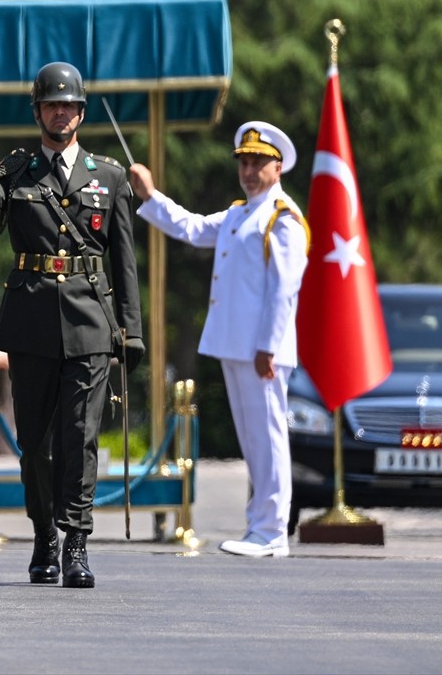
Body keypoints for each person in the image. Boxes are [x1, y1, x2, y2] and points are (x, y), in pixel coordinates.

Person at [0, 62, 143, 589]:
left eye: (69, 105)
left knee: (80, 437)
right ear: (37, 111)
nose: (61, 112)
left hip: (90, 319)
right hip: (32, 317)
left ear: (81, 113)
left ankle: (77, 543)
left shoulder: (109, 176)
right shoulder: (15, 169)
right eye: (51, 104)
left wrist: (131, 330)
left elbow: (124, 261)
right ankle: (44, 538)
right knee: (35, 442)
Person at [128, 121, 309, 558]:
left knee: (268, 437)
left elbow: (285, 289)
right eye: (244, 163)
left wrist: (268, 345)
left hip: (261, 348)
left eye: (257, 163)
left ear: (278, 166)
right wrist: (150, 197)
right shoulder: (239, 214)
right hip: (236, 344)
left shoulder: (282, 218)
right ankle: (260, 527)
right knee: (253, 438)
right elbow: (191, 228)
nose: (248, 171)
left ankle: (272, 531)